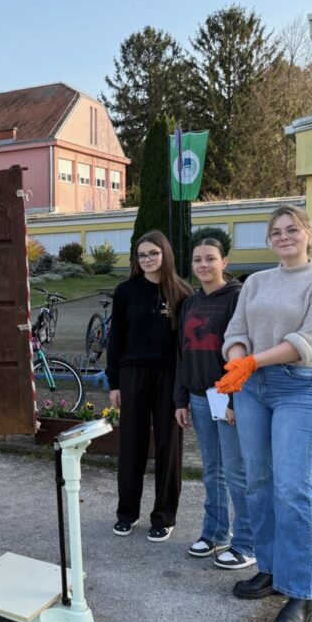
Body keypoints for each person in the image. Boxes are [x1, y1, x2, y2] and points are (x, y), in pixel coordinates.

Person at [216, 206, 312, 622]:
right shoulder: (255, 282)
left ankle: (300, 589)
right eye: (277, 232)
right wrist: (238, 364)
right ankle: (269, 569)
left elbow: (308, 342)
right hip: (252, 390)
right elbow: (235, 332)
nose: (284, 236)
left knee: (292, 487)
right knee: (259, 483)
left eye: (292, 230)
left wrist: (251, 361)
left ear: (307, 234)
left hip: (299, 388)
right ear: (269, 240)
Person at [174, 238, 254, 569]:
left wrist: (235, 399)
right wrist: (181, 398)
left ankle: (247, 542)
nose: (203, 265)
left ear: (224, 262)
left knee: (236, 471)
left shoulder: (237, 298)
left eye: (210, 259)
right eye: (197, 260)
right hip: (198, 396)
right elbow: (181, 353)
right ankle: (214, 532)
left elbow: (244, 349)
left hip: (226, 395)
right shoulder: (190, 304)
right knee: (212, 470)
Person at [107, 230, 192, 542]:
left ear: (164, 254)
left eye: (153, 253)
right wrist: (114, 382)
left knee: (169, 448)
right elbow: (115, 340)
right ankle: (126, 513)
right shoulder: (125, 291)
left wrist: (186, 391)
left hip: (169, 377)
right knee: (132, 445)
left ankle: (164, 516)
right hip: (133, 376)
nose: (147, 260)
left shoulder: (182, 293)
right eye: (141, 255)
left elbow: (187, 345)